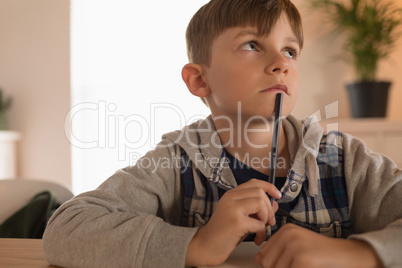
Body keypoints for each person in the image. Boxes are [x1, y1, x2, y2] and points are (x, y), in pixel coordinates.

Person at [42, 0, 402, 267]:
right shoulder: (175, 162)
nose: (281, 62)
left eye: (290, 51)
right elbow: (66, 229)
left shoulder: (346, 160)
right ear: (199, 80)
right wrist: (198, 242)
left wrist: (360, 253)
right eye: (252, 45)